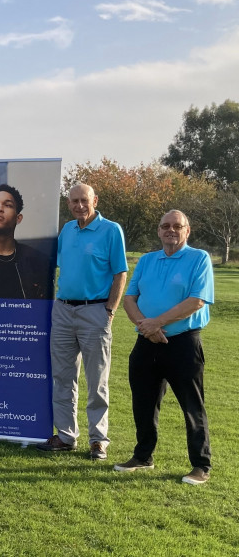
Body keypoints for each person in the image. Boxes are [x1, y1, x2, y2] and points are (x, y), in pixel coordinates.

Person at [115, 210, 214, 485]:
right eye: (165, 226)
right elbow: (130, 298)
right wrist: (146, 327)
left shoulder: (199, 259)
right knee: (143, 403)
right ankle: (143, 456)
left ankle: (201, 465)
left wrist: (156, 323)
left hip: (183, 343)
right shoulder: (147, 260)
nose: (171, 230)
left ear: (187, 231)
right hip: (146, 342)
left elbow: (197, 301)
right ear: (158, 231)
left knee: (192, 406)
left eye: (177, 226)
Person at [37, 184, 127, 459]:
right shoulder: (67, 229)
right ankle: (66, 436)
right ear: (69, 203)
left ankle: (98, 440)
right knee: (63, 378)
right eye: (74, 201)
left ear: (95, 201)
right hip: (63, 311)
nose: (79, 205)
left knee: (97, 379)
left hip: (95, 311)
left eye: (84, 200)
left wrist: (109, 311)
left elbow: (120, 273)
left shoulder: (111, 230)